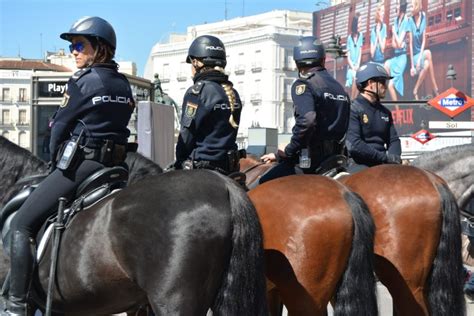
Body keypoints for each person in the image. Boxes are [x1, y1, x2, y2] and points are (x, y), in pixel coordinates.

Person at [1, 16, 134, 316]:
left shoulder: (83, 82)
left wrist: (54, 158)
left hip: (81, 167)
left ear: (99, 48)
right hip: (114, 169)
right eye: (72, 45)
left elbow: (59, 127)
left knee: (22, 223)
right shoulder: (124, 85)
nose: (73, 51)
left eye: (79, 45)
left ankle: (16, 305)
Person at [259, 36, 350, 183]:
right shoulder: (339, 87)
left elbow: (307, 121)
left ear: (297, 62)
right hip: (336, 159)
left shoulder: (305, 84)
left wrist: (288, 151)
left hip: (311, 163)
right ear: (323, 59)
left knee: (261, 185)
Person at [173, 35, 243, 175]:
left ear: (196, 63)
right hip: (229, 169)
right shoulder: (233, 93)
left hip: (203, 169)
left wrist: (178, 162)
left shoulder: (197, 92)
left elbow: (187, 135)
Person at [346, 62, 401, 173]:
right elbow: (355, 145)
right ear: (370, 83)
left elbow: (394, 140)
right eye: (382, 82)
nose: (385, 86)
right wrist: (384, 158)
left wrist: (394, 160)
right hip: (359, 164)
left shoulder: (385, 112)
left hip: (382, 164)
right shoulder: (353, 109)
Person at [408, 0, 439, 100]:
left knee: (426, 64)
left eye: (412, 6)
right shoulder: (410, 21)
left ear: (417, 7)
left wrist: (420, 57)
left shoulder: (423, 16)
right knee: (429, 53)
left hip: (420, 55)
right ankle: (435, 88)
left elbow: (424, 40)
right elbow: (410, 44)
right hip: (414, 57)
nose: (410, 9)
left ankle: (415, 90)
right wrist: (413, 65)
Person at [384, 0, 409, 101]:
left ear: (402, 6)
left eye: (397, 5)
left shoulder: (406, 20)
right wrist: (399, 43)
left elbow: (398, 43)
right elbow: (395, 45)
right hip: (396, 56)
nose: (396, 7)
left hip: (402, 58)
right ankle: (387, 97)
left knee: (390, 85)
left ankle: (397, 110)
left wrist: (394, 32)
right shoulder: (396, 20)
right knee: (386, 65)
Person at [345, 14, 364, 99]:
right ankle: (353, 100)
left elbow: (360, 52)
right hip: (351, 67)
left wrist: (358, 65)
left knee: (358, 77)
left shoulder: (361, 36)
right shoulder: (349, 38)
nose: (360, 24)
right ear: (355, 24)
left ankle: (354, 100)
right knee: (354, 76)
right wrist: (353, 67)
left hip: (357, 66)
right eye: (359, 22)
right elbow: (348, 56)